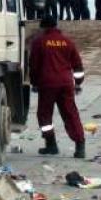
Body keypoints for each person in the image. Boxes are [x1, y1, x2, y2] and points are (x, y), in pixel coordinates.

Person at [28, 14, 86, 158]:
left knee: (44, 115)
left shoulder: (39, 42)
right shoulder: (67, 42)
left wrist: (34, 82)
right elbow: (78, 65)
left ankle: (51, 144)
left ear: (43, 27)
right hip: (66, 84)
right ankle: (80, 147)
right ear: (56, 26)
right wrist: (78, 83)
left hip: (47, 84)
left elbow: (34, 66)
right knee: (71, 114)